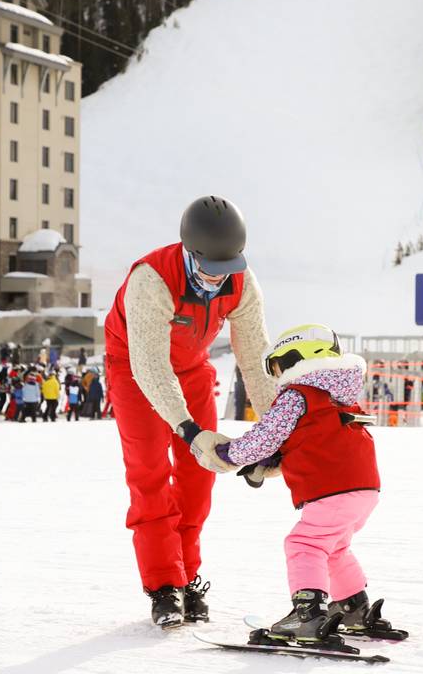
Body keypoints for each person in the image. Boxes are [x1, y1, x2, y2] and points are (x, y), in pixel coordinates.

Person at [104, 195, 276, 628]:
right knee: (149, 473)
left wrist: (275, 432)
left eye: (228, 269)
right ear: (190, 252)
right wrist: (188, 429)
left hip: (191, 368)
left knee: (201, 475)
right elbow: (149, 366)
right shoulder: (152, 279)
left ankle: (187, 577)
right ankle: (164, 585)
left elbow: (254, 358)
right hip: (135, 369)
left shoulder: (242, 282)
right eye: (210, 270)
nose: (219, 280)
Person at [216, 324, 383, 642]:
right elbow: (313, 436)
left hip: (332, 489)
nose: (277, 378)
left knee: (304, 544)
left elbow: (266, 436)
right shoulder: (340, 395)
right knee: (334, 546)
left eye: (277, 367)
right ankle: (353, 606)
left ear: (296, 360)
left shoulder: (297, 395)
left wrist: (229, 452)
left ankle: (308, 614)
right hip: (364, 489)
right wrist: (277, 457)